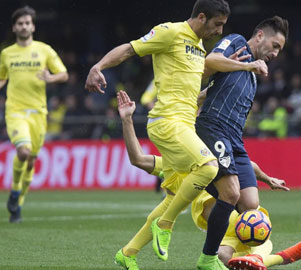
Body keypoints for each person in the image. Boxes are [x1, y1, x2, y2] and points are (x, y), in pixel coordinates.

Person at [85, 1, 265, 269]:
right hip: (167, 122)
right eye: (217, 24)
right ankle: (166, 225)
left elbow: (194, 95)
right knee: (208, 167)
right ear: (201, 17)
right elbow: (130, 49)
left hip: (186, 127)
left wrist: (218, 86)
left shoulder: (200, 47)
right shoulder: (170, 32)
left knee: (173, 195)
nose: (220, 31)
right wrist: (98, 66)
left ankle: (128, 252)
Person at [115, 90, 301, 270]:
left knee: (227, 257)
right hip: (223, 212)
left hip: (218, 221)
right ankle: (277, 258)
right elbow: (139, 159)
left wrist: (267, 178)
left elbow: (138, 159)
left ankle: (267, 259)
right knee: (259, 228)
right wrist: (127, 120)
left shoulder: (198, 153)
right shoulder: (174, 163)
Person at [196, 16, 289, 223]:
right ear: (260, 35)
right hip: (213, 127)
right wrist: (247, 66)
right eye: (275, 46)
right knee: (231, 194)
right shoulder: (237, 43)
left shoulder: (254, 77)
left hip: (235, 139)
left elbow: (216, 88)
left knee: (250, 204)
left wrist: (267, 179)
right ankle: (214, 250)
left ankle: (220, 205)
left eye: (279, 50)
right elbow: (209, 62)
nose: (275, 53)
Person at [0, 6, 68, 223]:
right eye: (20, 23)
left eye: (27, 23)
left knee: (30, 160)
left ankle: (18, 203)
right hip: (16, 111)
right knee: (23, 151)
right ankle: (14, 190)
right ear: (14, 27)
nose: (24, 26)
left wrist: (51, 78)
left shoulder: (44, 50)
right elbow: (2, 78)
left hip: (39, 113)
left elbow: (64, 74)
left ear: (33, 26)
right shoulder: (7, 53)